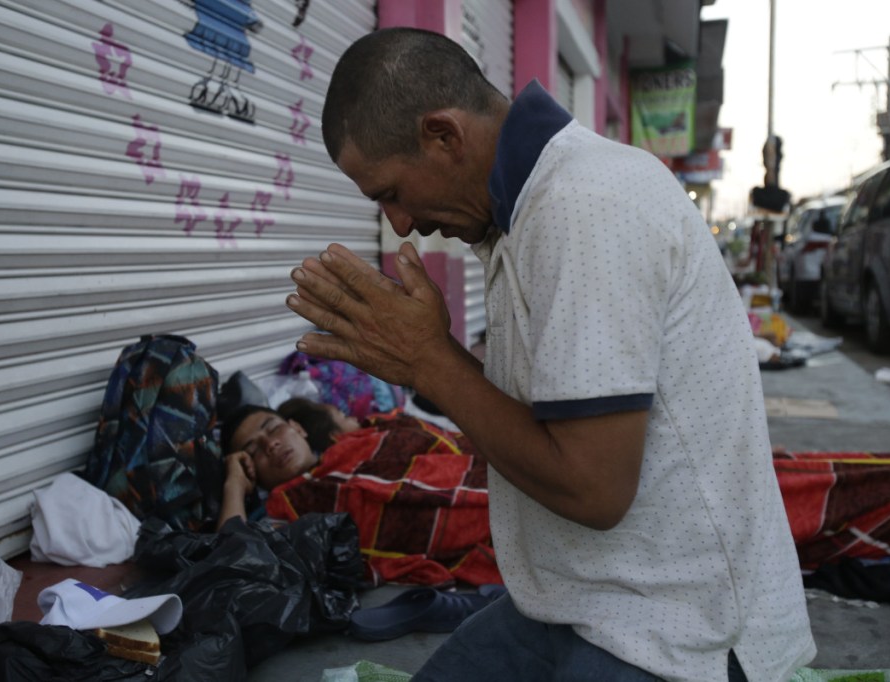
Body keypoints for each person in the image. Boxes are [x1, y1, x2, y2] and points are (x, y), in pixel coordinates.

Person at [282, 27, 815, 682]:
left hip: (681, 634)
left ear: (443, 136)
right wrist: (427, 361)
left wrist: (430, 362)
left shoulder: (583, 205)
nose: (398, 223)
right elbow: (542, 422)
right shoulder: (526, 211)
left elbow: (594, 487)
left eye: (390, 192)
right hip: (580, 605)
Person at [217, 402, 497, 586]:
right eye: (253, 449)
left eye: (273, 428)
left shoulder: (362, 440)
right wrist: (234, 485)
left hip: (498, 478)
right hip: (489, 531)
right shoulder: (286, 512)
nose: (272, 444)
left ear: (298, 429)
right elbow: (232, 561)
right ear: (251, 470)